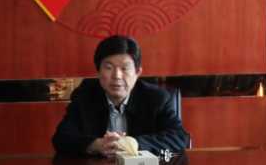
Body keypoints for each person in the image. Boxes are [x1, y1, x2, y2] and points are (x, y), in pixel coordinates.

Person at [52, 34, 190, 157]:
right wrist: (96, 145)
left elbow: (179, 138)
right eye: (109, 67)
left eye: (124, 68)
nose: (117, 76)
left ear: (137, 73)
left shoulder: (156, 98)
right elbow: (61, 138)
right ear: (98, 72)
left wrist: (133, 144)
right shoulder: (85, 95)